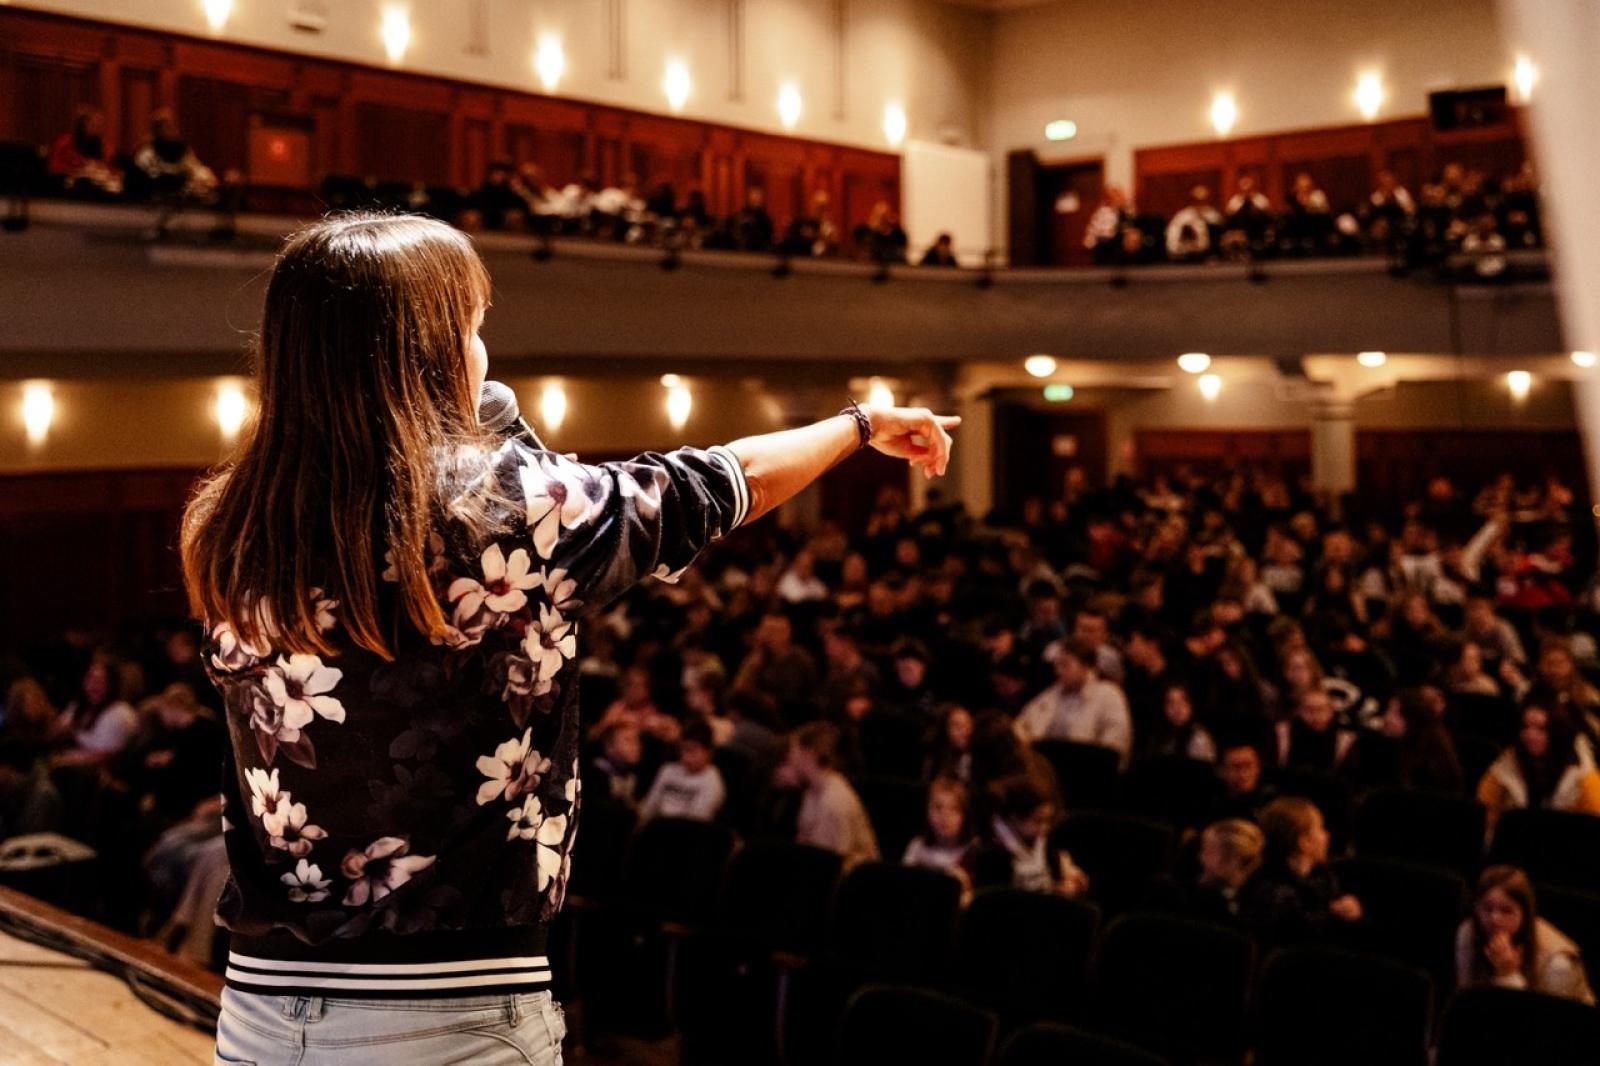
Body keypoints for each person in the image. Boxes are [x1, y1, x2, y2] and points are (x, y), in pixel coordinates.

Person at [177, 212, 955, 1062]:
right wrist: (860, 426)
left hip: (260, 1006)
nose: (483, 351)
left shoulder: (231, 524)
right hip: (448, 1015)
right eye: (472, 329)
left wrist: (490, 428)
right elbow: (719, 486)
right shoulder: (505, 509)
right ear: (432, 352)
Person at [1456, 865, 1595, 1004]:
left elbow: (1542, 1022)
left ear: (1526, 913)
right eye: (1487, 908)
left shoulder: (1559, 965)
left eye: (1506, 911)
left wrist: (1508, 976)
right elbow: (1467, 1001)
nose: (1495, 919)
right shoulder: (1467, 933)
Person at [1243, 796, 1363, 945]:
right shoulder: (1274, 894)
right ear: (1304, 842)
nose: (1326, 835)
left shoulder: (1322, 875)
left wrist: (1349, 909)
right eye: (1321, 828)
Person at [1477, 701, 1600, 832]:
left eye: (1541, 729)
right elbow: (1485, 811)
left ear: (1558, 733)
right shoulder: (1506, 766)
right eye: (1525, 727)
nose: (1530, 735)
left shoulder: (1584, 779)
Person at [1013, 638, 1133, 765]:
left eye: (1065, 665)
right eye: (1057, 665)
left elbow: (1115, 745)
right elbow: (1022, 726)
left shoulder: (1108, 695)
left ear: (1086, 667)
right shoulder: (1050, 695)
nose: (1058, 671)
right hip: (1048, 768)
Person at [779, 722, 880, 869]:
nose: (789, 757)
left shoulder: (833, 802)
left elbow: (829, 864)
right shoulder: (813, 790)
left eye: (793, 751)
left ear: (809, 754)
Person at [971, 774, 1088, 896]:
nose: (1045, 828)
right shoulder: (993, 853)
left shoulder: (1047, 840)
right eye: (1037, 821)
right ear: (1014, 817)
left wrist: (1072, 883)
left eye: (1048, 820)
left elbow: (1063, 871)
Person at [637, 717, 725, 822]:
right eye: (682, 750)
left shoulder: (712, 783)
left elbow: (695, 823)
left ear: (709, 752)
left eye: (692, 751)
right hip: (655, 828)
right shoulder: (667, 770)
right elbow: (649, 807)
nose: (685, 757)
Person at [901, 777, 977, 893]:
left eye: (954, 809)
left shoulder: (973, 852)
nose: (945, 816)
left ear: (965, 816)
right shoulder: (918, 846)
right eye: (938, 808)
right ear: (928, 812)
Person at [133, 108, 219, 202]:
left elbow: (196, 171)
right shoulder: (147, 154)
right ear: (157, 130)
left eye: (174, 126)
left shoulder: (183, 151)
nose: (174, 130)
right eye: (168, 127)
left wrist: (205, 178)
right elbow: (145, 181)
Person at [46, 105, 123, 197]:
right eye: (93, 125)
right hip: (68, 192)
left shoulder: (103, 145)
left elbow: (111, 167)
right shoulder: (65, 143)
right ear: (82, 125)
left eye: (100, 126)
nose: (98, 129)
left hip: (101, 189)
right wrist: (82, 169)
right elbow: (55, 168)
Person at [1165, 185, 1222, 260]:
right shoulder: (1182, 217)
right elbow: (1173, 238)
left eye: (1202, 200)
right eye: (1197, 200)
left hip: (1208, 254)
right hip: (1184, 254)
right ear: (1192, 200)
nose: (1200, 203)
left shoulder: (1212, 215)